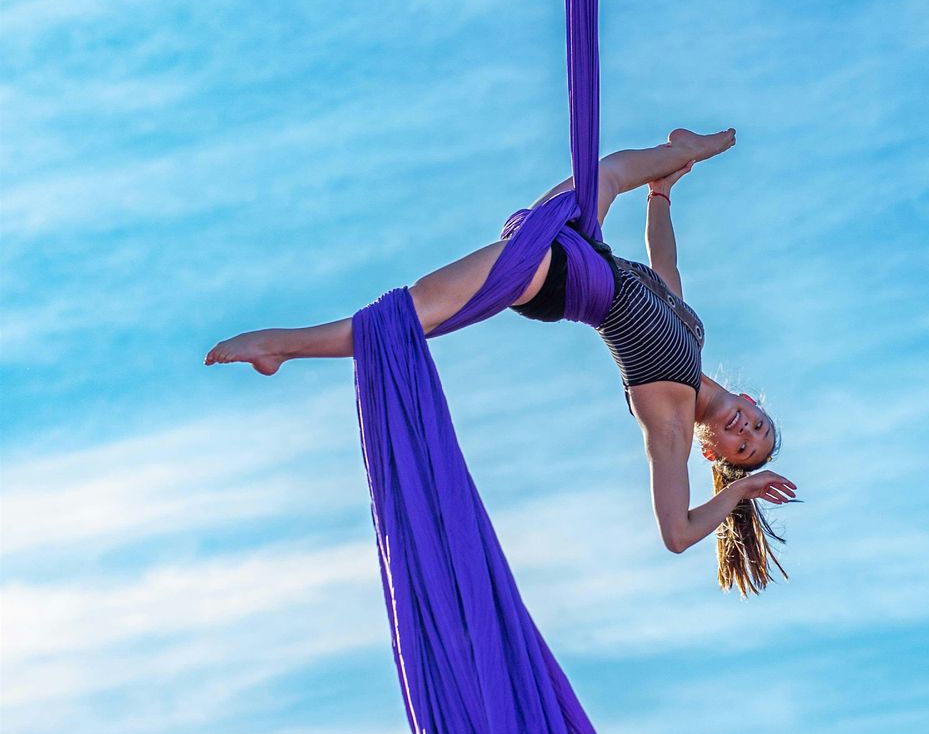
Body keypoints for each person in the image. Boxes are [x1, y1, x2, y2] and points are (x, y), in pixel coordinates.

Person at [206, 127, 794, 592]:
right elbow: (665, 268)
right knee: (607, 175)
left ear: (714, 449)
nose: (746, 431)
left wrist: (741, 492)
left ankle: (281, 346)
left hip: (559, 277)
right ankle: (678, 155)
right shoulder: (691, 333)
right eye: (758, 426)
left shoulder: (670, 419)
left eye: (743, 447)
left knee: (418, 311)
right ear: (751, 401)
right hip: (579, 241)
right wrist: (662, 195)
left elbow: (676, 532)